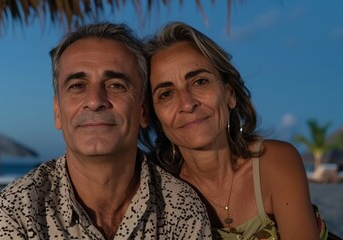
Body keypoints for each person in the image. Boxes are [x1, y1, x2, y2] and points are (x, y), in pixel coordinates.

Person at [0, 22, 212, 239]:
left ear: (143, 110)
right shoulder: (19, 208)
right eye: (77, 86)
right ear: (57, 112)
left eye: (115, 85)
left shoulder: (181, 207)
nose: (94, 101)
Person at [140, 21, 328, 240]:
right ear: (153, 115)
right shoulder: (155, 192)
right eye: (166, 94)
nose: (187, 104)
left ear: (229, 94)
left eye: (200, 82)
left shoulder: (275, 163)